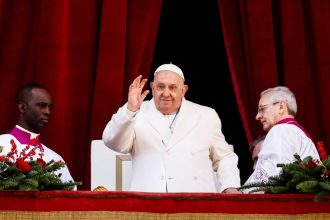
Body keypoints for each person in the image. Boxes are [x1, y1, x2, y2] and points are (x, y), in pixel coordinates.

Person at [102, 63, 241, 193]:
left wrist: (230, 186)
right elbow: (112, 142)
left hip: (195, 200)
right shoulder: (135, 111)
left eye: (172, 87)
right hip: (148, 201)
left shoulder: (205, 115)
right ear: (152, 87)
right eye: (160, 87)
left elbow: (224, 157)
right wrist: (131, 110)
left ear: (183, 90)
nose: (166, 93)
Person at [243, 86, 320, 189]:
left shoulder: (281, 129)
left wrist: (242, 192)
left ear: (281, 107)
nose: (258, 116)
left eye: (262, 109)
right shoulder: (297, 132)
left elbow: (272, 172)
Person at [0, 83, 75, 185]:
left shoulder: (55, 160)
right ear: (22, 107)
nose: (47, 112)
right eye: (42, 106)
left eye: (50, 107)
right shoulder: (1, 145)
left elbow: (69, 197)